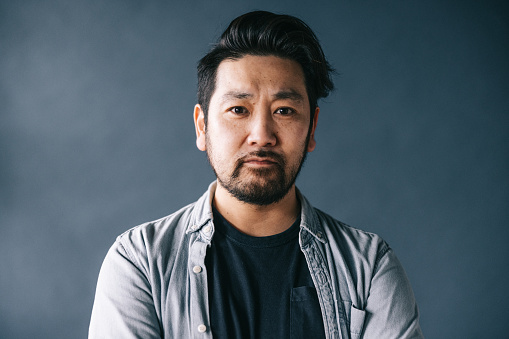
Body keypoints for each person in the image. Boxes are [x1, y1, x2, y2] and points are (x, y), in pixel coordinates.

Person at [89, 10, 423, 339]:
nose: (262, 134)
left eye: (284, 110)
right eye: (238, 110)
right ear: (202, 126)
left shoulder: (368, 267)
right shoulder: (140, 262)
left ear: (312, 128)